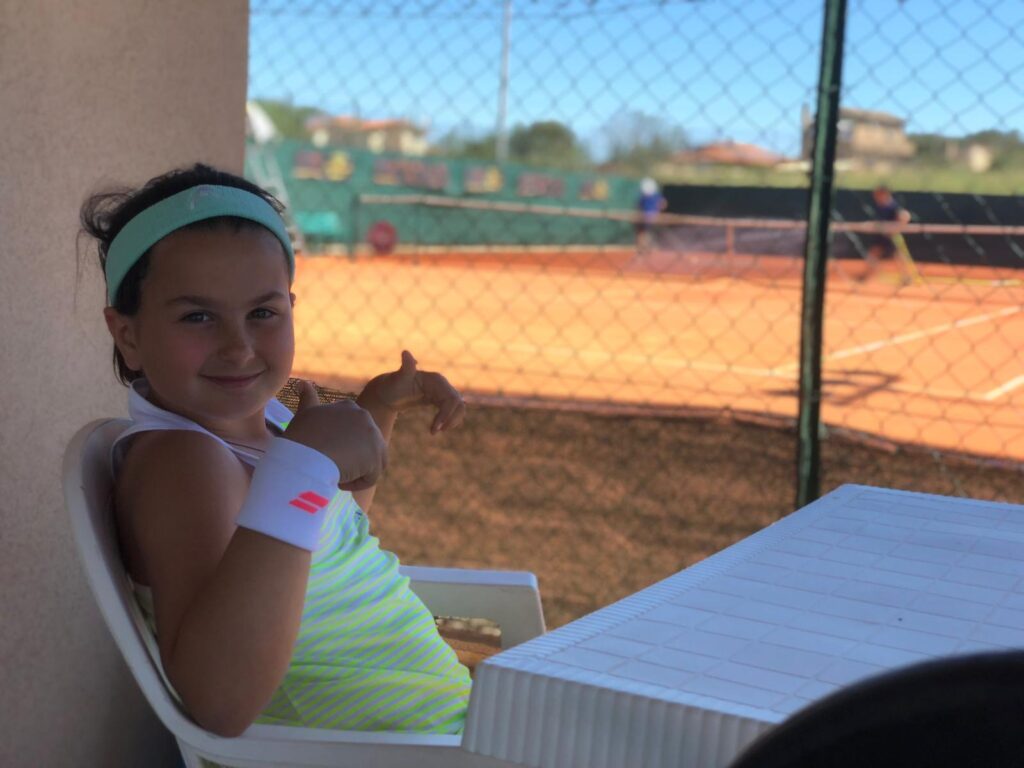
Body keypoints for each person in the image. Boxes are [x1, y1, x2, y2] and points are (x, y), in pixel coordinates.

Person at [80, 164, 473, 739]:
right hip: (388, 750)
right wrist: (304, 465)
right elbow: (219, 701)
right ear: (129, 336)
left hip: (440, 732)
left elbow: (318, 543)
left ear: (291, 307)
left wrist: (376, 411)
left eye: (262, 313)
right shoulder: (186, 463)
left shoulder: (270, 423)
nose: (238, 347)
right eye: (197, 316)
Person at [861, 185, 915, 284]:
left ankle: (906, 277)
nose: (876, 197)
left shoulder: (893, 206)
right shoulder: (880, 206)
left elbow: (905, 216)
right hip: (881, 236)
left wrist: (896, 228)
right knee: (874, 253)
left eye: (878, 195)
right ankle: (867, 275)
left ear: (885, 194)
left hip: (891, 236)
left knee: (898, 256)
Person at [635, 177, 667, 253]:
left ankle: (644, 249)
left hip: (647, 218)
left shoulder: (645, 197)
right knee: (645, 233)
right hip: (651, 218)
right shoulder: (655, 196)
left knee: (643, 233)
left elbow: (639, 206)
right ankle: (646, 248)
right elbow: (663, 204)